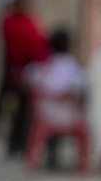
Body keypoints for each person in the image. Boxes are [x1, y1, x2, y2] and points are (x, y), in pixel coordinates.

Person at [0, 0, 52, 158]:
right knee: (10, 109)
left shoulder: (30, 18)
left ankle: (22, 144)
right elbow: (19, 48)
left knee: (27, 111)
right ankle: (10, 144)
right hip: (16, 70)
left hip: (33, 71)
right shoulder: (10, 21)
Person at [21, 29, 88, 173]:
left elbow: (28, 78)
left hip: (44, 113)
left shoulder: (41, 66)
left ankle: (31, 163)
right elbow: (80, 88)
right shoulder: (73, 68)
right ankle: (82, 166)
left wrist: (46, 93)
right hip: (69, 117)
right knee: (86, 125)